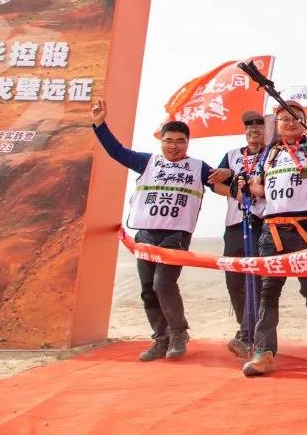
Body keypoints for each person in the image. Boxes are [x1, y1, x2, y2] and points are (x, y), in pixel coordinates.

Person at [90, 98, 226, 361]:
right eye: (169, 140)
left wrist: (229, 175)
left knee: (163, 284)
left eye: (180, 141)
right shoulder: (147, 162)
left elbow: (222, 184)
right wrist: (100, 124)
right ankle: (161, 338)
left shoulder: (198, 167)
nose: (174, 145)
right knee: (147, 290)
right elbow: (116, 151)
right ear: (161, 142)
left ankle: (178, 333)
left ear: (187, 143)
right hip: (146, 235)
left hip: (176, 236)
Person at [241, 101, 307, 376]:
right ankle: (264, 351)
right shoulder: (269, 153)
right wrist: (251, 186)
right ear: (277, 124)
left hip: (305, 228)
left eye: (296, 117)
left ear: (305, 122)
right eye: (284, 118)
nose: (290, 122)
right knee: (268, 290)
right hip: (271, 230)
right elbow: (258, 184)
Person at [212, 110, 268, 359]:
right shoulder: (233, 155)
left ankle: (246, 335)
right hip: (235, 223)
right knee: (234, 281)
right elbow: (215, 183)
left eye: (259, 124)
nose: (254, 128)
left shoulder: (274, 152)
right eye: (249, 125)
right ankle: (246, 328)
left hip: (261, 221)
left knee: (254, 279)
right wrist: (235, 192)